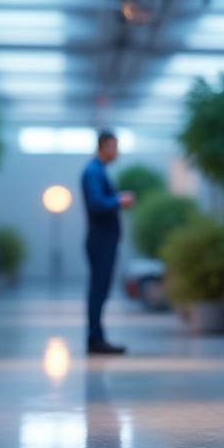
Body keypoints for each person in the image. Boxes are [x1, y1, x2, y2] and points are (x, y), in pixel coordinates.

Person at [81, 130, 135, 354]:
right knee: (98, 290)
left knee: (100, 289)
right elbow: (96, 203)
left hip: (104, 239)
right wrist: (118, 200)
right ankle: (95, 339)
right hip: (101, 239)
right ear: (103, 146)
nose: (116, 152)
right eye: (114, 146)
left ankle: (97, 337)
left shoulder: (97, 171)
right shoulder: (93, 171)